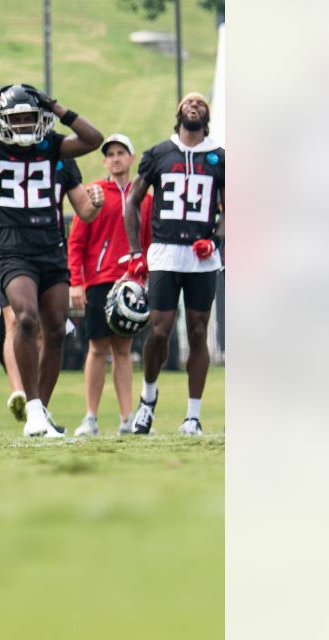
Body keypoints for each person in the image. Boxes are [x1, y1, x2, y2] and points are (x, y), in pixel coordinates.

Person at [0, 83, 105, 437]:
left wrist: (55, 107)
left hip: (51, 248)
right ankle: (35, 409)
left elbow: (93, 139)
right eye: (16, 119)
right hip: (12, 247)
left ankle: (40, 410)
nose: (23, 125)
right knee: (25, 318)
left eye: (29, 117)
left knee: (55, 329)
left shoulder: (55, 148)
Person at [123, 92, 225, 436]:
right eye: (187, 102)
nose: (194, 104)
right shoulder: (158, 154)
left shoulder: (219, 158)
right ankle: (147, 400)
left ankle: (193, 415)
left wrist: (215, 239)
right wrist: (137, 251)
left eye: (200, 103)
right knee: (160, 329)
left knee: (199, 331)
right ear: (179, 112)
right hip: (165, 252)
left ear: (206, 115)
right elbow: (132, 202)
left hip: (201, 256)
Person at [67, 134, 153, 436]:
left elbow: (148, 242)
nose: (116, 158)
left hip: (131, 283)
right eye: (110, 154)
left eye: (121, 153)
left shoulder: (145, 198)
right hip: (98, 282)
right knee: (96, 348)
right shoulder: (94, 194)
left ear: (131, 159)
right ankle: (90, 417)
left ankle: (127, 418)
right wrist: (76, 282)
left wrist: (146, 276)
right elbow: (76, 242)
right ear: (104, 161)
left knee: (123, 349)